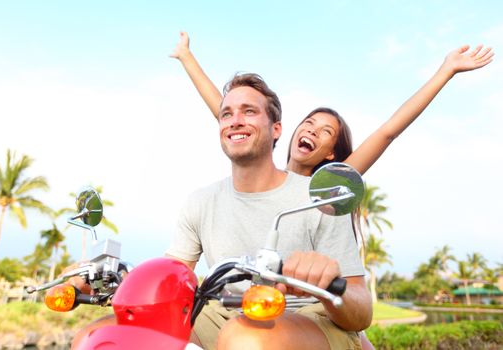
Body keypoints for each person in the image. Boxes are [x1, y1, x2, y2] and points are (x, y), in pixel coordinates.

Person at [165, 73, 372, 350]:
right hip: (223, 314)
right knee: (131, 329)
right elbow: (169, 276)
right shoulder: (200, 201)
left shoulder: (320, 199)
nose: (236, 120)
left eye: (249, 111)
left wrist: (330, 284)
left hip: (308, 317)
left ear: (276, 129)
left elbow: (362, 312)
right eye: (226, 114)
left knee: (245, 339)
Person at [170, 32, 494, 177]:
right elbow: (227, 112)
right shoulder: (266, 172)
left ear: (330, 153)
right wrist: (186, 57)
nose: (311, 130)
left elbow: (388, 132)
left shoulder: (326, 188)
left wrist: (446, 71)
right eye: (309, 123)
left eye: (325, 131)